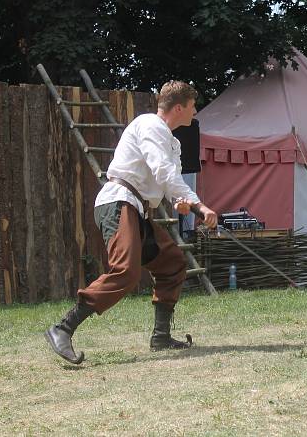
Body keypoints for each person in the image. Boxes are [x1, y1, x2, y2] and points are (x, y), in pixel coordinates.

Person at [44, 81, 218, 364]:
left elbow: (166, 182)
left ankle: (160, 336)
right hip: (119, 202)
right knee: (125, 272)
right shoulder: (150, 125)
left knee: (173, 262)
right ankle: (62, 329)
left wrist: (181, 202)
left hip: (137, 209)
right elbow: (163, 171)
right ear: (178, 107)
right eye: (192, 106)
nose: (195, 111)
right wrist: (199, 205)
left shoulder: (171, 141)